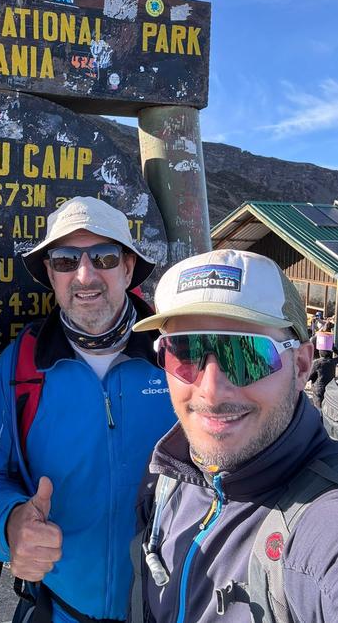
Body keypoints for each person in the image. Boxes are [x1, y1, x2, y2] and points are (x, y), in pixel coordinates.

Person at [0, 196, 176, 623]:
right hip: (57, 609)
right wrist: (9, 526)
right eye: (66, 260)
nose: (85, 275)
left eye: (103, 257)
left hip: (172, 608)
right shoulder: (20, 364)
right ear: (50, 273)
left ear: (127, 267)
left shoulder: (176, 354)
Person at [128, 248, 338, 623]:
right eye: (185, 352)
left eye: (246, 354)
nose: (210, 390)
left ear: (302, 365)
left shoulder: (322, 527)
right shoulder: (171, 474)